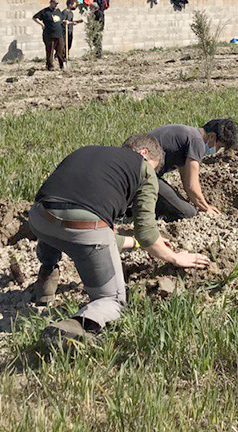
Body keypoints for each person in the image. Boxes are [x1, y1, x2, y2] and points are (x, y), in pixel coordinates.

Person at [29, 134, 210, 344]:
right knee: (112, 300)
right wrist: (174, 257)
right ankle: (72, 328)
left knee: (58, 224)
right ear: (143, 154)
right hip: (84, 229)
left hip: (39, 219)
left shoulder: (86, 151)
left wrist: (135, 243)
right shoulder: (143, 170)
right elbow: (147, 233)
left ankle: (46, 278)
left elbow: (102, 233)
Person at [147, 119, 238, 220]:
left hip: (138, 168)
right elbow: (192, 185)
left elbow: (186, 179)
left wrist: (196, 202)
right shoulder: (197, 142)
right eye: (219, 146)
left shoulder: (188, 135)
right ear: (212, 137)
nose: (216, 151)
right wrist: (206, 207)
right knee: (188, 213)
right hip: (143, 174)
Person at [32, 0, 66, 70]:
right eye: (55, 4)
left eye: (57, 4)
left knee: (61, 50)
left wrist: (66, 22)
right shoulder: (45, 11)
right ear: (51, 3)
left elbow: (62, 20)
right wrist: (42, 24)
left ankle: (62, 65)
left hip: (59, 34)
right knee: (50, 50)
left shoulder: (58, 11)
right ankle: (50, 66)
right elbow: (35, 17)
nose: (56, 5)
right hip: (49, 35)